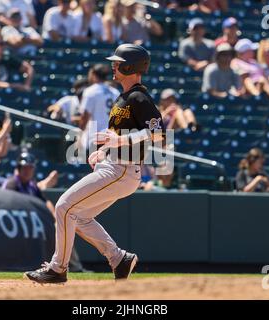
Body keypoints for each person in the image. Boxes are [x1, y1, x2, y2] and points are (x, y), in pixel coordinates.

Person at [24, 43, 165, 283]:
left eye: (118, 62)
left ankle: (58, 269)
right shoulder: (123, 97)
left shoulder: (139, 97)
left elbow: (159, 134)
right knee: (78, 217)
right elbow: (118, 138)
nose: (114, 65)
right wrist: (105, 151)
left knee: (63, 206)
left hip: (122, 170)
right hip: (114, 165)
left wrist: (118, 141)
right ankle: (119, 259)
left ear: (130, 66)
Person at [78, 64, 120, 151]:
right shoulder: (115, 92)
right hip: (112, 137)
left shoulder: (90, 91)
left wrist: (79, 136)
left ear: (93, 74)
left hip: (95, 137)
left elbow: (85, 117)